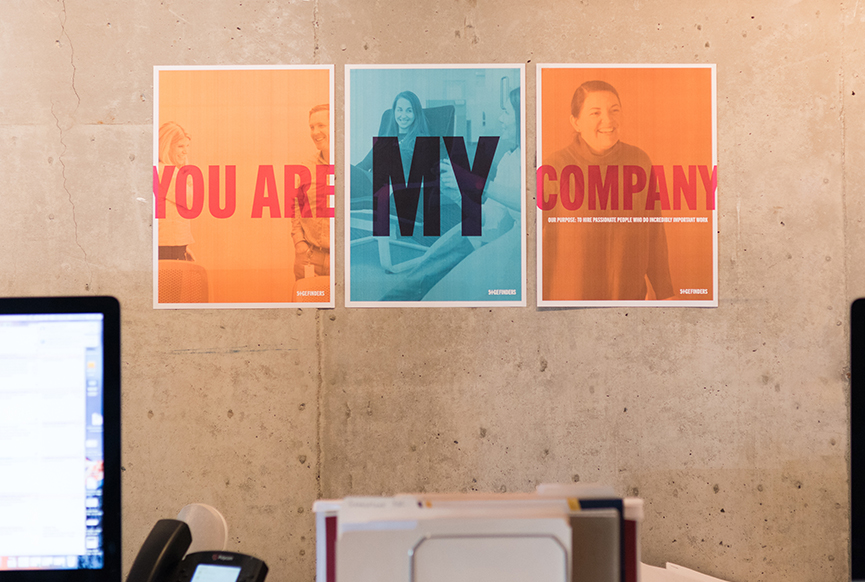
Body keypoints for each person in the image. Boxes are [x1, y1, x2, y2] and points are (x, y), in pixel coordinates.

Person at [383, 87, 523, 301]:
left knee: (448, 287)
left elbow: (534, 203)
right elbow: (490, 218)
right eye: (399, 110)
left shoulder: (544, 158)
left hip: (527, 241)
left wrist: (475, 181)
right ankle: (388, 304)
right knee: (430, 264)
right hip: (498, 232)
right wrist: (458, 195)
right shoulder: (509, 160)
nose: (500, 118)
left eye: (506, 112)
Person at [541, 80, 674, 301]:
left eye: (614, 110)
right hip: (569, 302)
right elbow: (529, 239)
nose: (609, 120)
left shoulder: (639, 161)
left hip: (627, 301)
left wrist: (665, 293)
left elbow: (655, 234)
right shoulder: (555, 167)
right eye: (595, 113)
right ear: (576, 122)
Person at [292, 104, 331, 280]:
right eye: (312, 127)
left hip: (342, 260)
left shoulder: (352, 168)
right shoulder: (306, 167)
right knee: (307, 298)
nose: (315, 132)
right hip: (309, 258)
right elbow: (296, 206)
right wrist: (299, 242)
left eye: (321, 125)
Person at [157, 122, 195, 261]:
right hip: (168, 247)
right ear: (166, 146)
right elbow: (191, 201)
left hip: (171, 244)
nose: (185, 151)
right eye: (180, 146)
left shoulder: (165, 170)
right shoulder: (165, 171)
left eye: (187, 146)